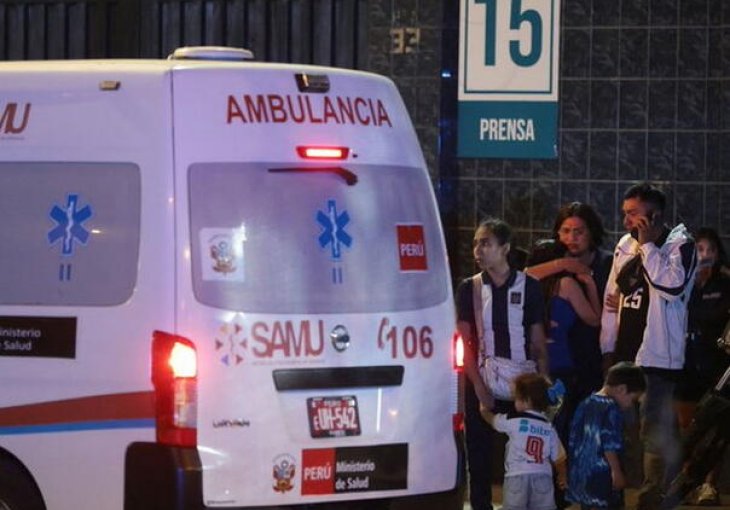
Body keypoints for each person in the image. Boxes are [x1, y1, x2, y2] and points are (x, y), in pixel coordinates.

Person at [600, 183, 697, 510]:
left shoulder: (680, 246)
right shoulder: (625, 245)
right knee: (617, 427)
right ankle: (614, 491)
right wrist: (607, 346)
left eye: (633, 213)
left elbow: (671, 287)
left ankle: (654, 499)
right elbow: (612, 298)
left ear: (654, 215)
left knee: (654, 432)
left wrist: (648, 246)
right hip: (625, 354)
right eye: (625, 213)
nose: (626, 220)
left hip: (658, 358)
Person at [456, 217, 549, 510]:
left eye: (486, 243)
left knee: (524, 459)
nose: (478, 250)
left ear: (505, 248)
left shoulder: (529, 286)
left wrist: (544, 383)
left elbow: (537, 341)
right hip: (483, 378)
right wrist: (478, 387)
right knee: (479, 457)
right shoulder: (469, 288)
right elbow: (464, 342)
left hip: (522, 382)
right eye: (475, 243)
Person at [526, 202, 613, 398]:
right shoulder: (553, 265)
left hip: (593, 355)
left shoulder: (607, 264)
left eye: (579, 232)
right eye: (565, 231)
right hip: (556, 357)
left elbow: (597, 318)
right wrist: (562, 264)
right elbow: (523, 276)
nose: (571, 238)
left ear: (591, 233)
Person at [674, 227, 730, 505]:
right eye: (700, 249)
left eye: (711, 250)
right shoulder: (682, 281)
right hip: (686, 363)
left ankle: (709, 484)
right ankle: (687, 481)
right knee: (689, 426)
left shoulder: (725, 283)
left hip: (717, 366)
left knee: (716, 427)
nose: (705, 255)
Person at [479, 372, 567, 510]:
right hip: (543, 477)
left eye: (516, 398)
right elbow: (559, 457)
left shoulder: (513, 420)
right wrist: (562, 475)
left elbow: (493, 421)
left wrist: (483, 410)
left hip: (517, 477)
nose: (514, 402)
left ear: (527, 401)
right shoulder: (548, 426)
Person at [567, 362, 647, 510]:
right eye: (633, 399)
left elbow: (573, 438)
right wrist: (616, 471)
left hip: (583, 474)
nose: (631, 405)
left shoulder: (585, 403)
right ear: (622, 389)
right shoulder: (612, 409)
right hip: (604, 475)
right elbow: (609, 444)